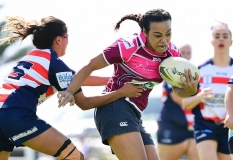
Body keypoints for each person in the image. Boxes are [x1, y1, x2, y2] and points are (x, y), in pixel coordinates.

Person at [0, 16, 144, 160]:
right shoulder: (53, 61)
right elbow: (84, 103)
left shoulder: (32, 57)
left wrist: (116, 81)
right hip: (15, 114)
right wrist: (120, 92)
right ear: (59, 39)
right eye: (67, 36)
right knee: (74, 157)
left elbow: (78, 80)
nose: (68, 41)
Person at [57, 9, 199, 160]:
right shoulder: (127, 46)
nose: (164, 40)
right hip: (114, 107)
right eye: (158, 35)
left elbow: (178, 91)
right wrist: (70, 90)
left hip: (135, 114)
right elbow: (90, 65)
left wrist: (190, 90)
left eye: (168, 34)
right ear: (144, 31)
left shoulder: (172, 54)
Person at [182, 21, 233, 160]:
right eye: (217, 36)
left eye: (224, 36)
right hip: (205, 124)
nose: (221, 39)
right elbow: (185, 103)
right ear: (211, 41)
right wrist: (199, 97)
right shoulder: (200, 70)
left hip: (229, 127)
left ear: (231, 41)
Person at [156, 44, 199, 160]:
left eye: (188, 53)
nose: (185, 55)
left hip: (192, 128)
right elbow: (180, 99)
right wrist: (202, 97)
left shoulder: (195, 77)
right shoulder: (171, 74)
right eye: (182, 52)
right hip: (171, 125)